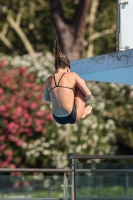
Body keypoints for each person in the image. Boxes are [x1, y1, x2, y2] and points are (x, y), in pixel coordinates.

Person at [44, 40, 92, 125]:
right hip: (72, 116)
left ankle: (79, 111)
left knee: (70, 89)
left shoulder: (49, 79)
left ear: (56, 68)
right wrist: (84, 102)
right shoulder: (72, 75)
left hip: (57, 118)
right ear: (67, 68)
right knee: (81, 82)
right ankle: (82, 113)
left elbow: (46, 99)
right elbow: (88, 94)